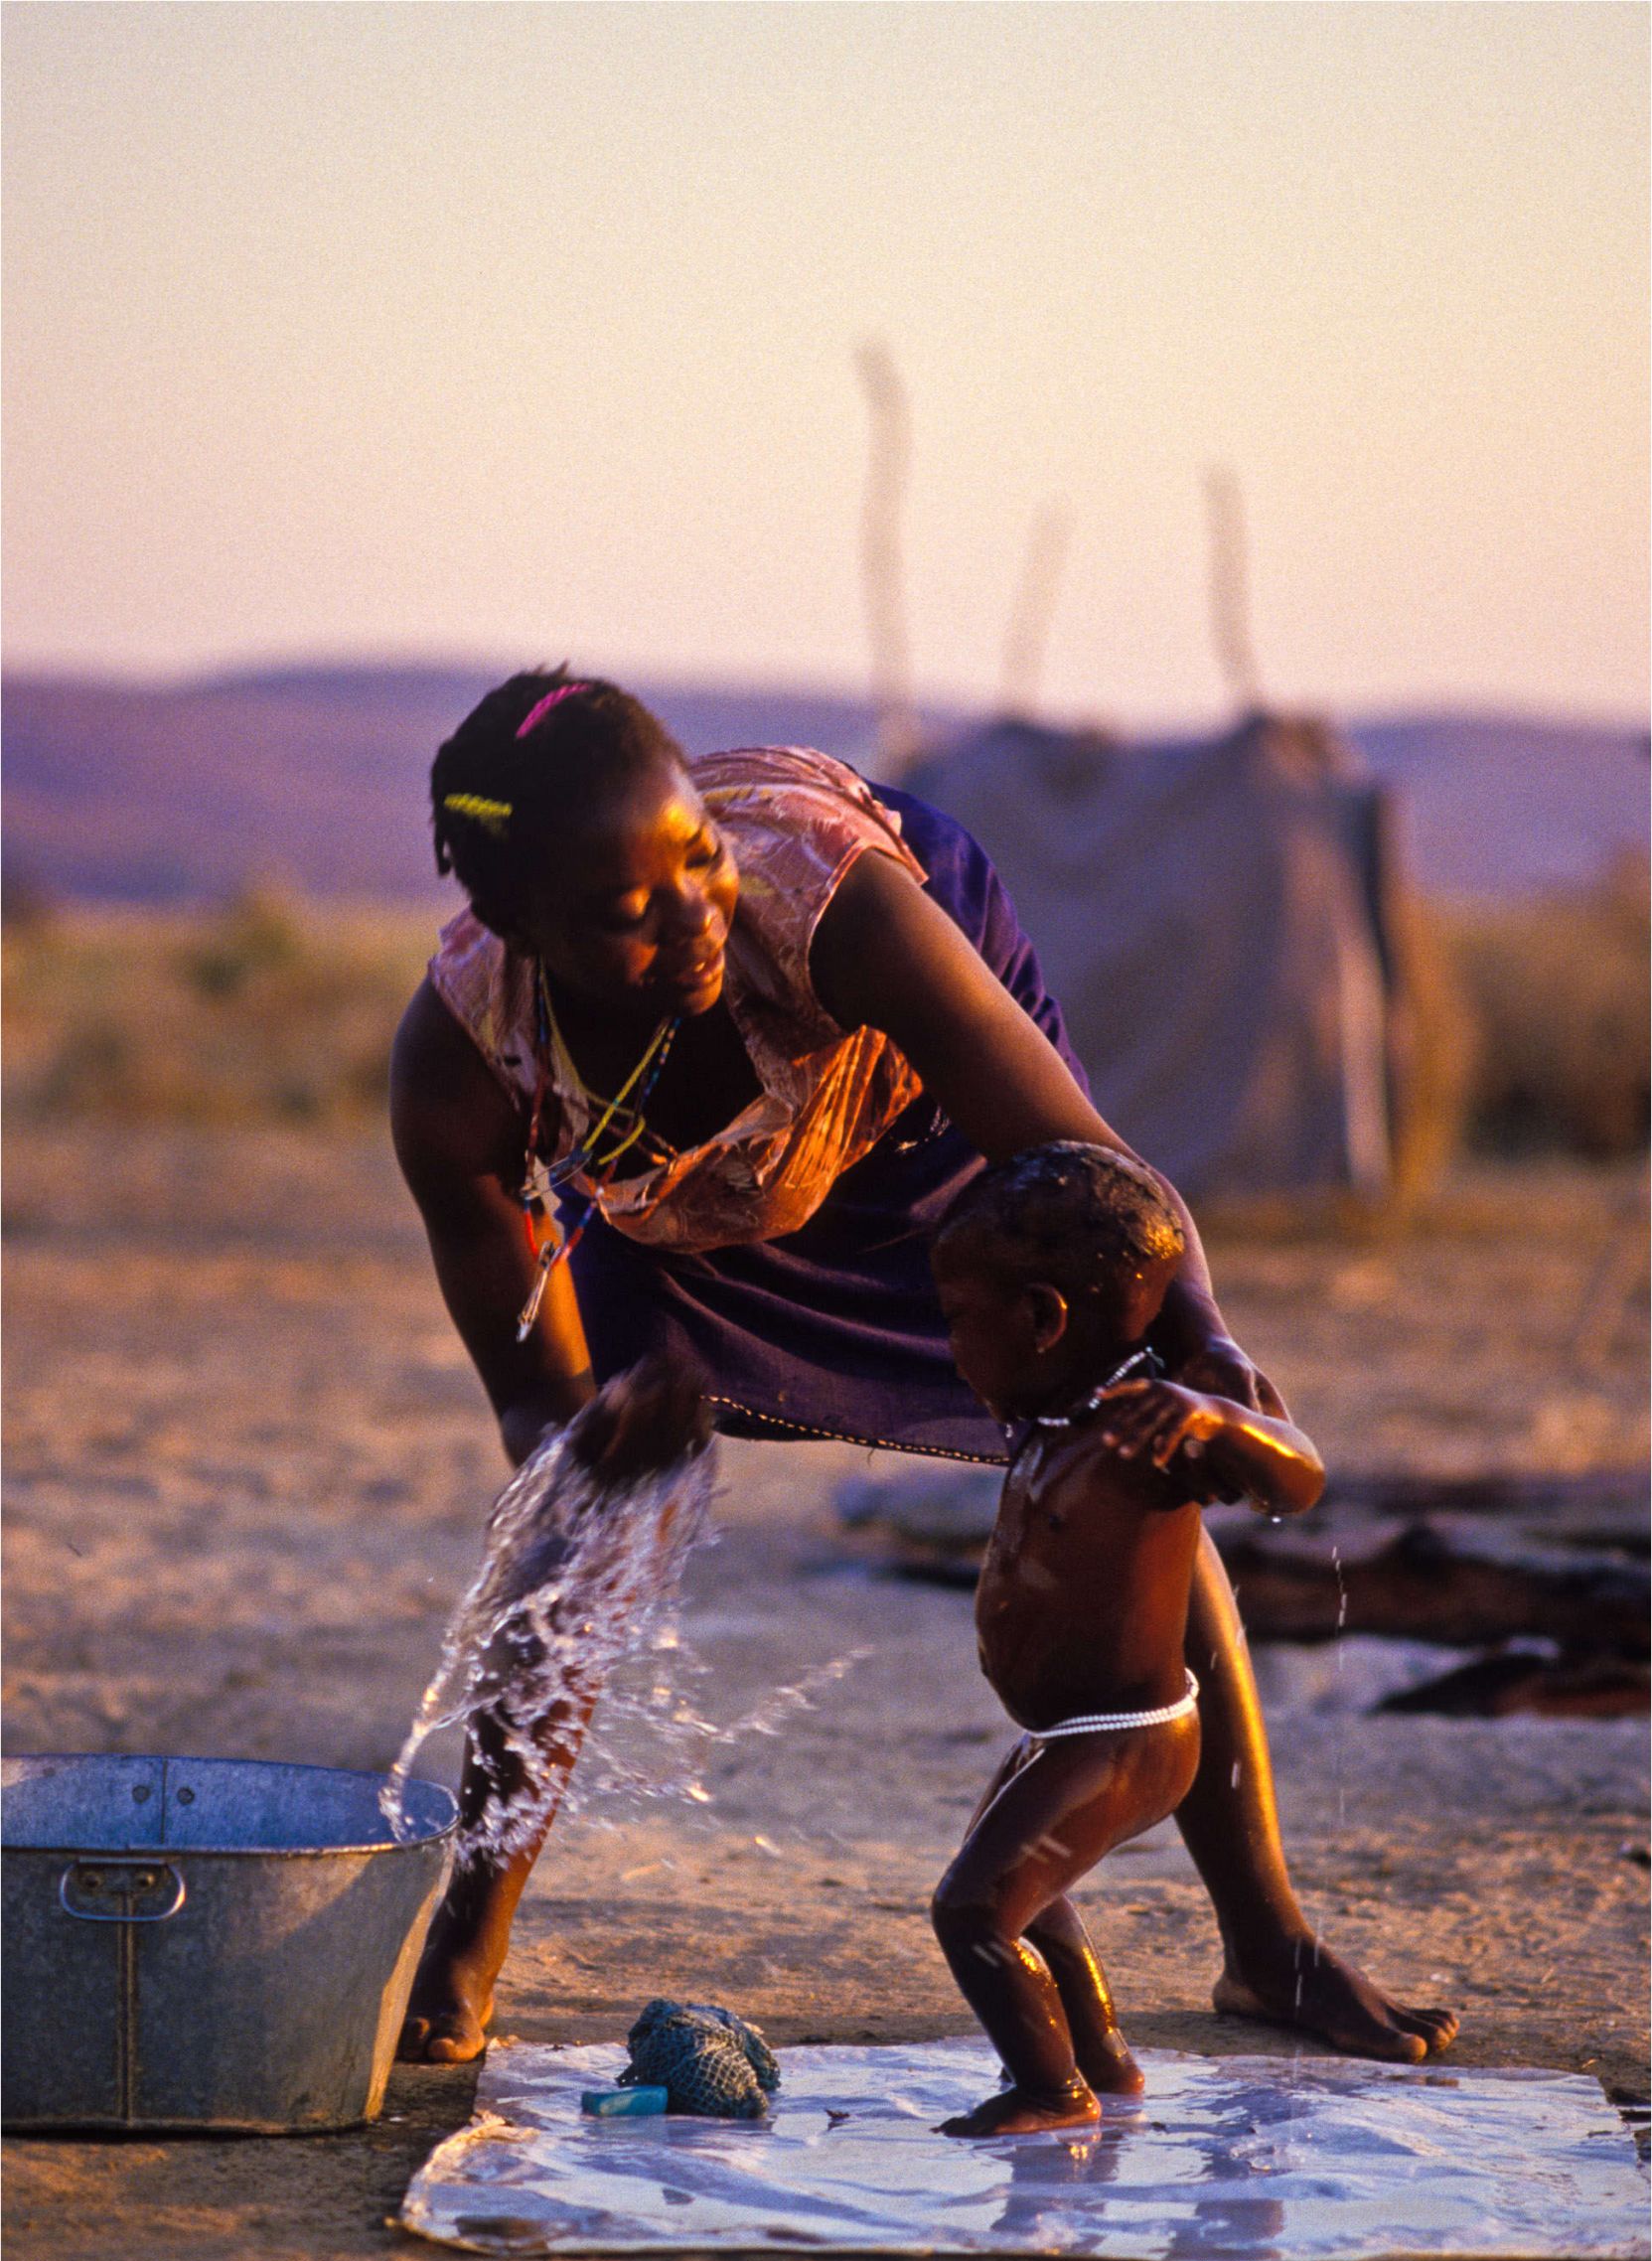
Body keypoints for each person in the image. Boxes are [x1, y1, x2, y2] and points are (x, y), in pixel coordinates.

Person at [388, 664, 1457, 2069]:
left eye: (695, 857)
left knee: (1117, 1451)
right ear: (514, 925)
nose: (693, 911)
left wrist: (1198, 1337)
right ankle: (463, 1951)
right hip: (677, 1210)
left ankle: (1268, 1948)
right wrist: (584, 1439)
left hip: (920, 1138)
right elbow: (534, 1399)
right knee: (572, 1538)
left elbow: (1080, 1162)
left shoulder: (823, 895)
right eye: (626, 912)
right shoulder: (466, 1062)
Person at [927, 1142, 1326, 2137]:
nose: (948, 1347)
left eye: (957, 1322)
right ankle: (1098, 2055)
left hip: (1132, 1735)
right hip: (1070, 1733)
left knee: (973, 1910)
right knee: (1021, 1886)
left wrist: (1219, 1417)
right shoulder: (1043, 1413)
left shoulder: (1141, 1437)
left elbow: (1303, 1477)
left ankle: (1049, 2090)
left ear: (1040, 1319)